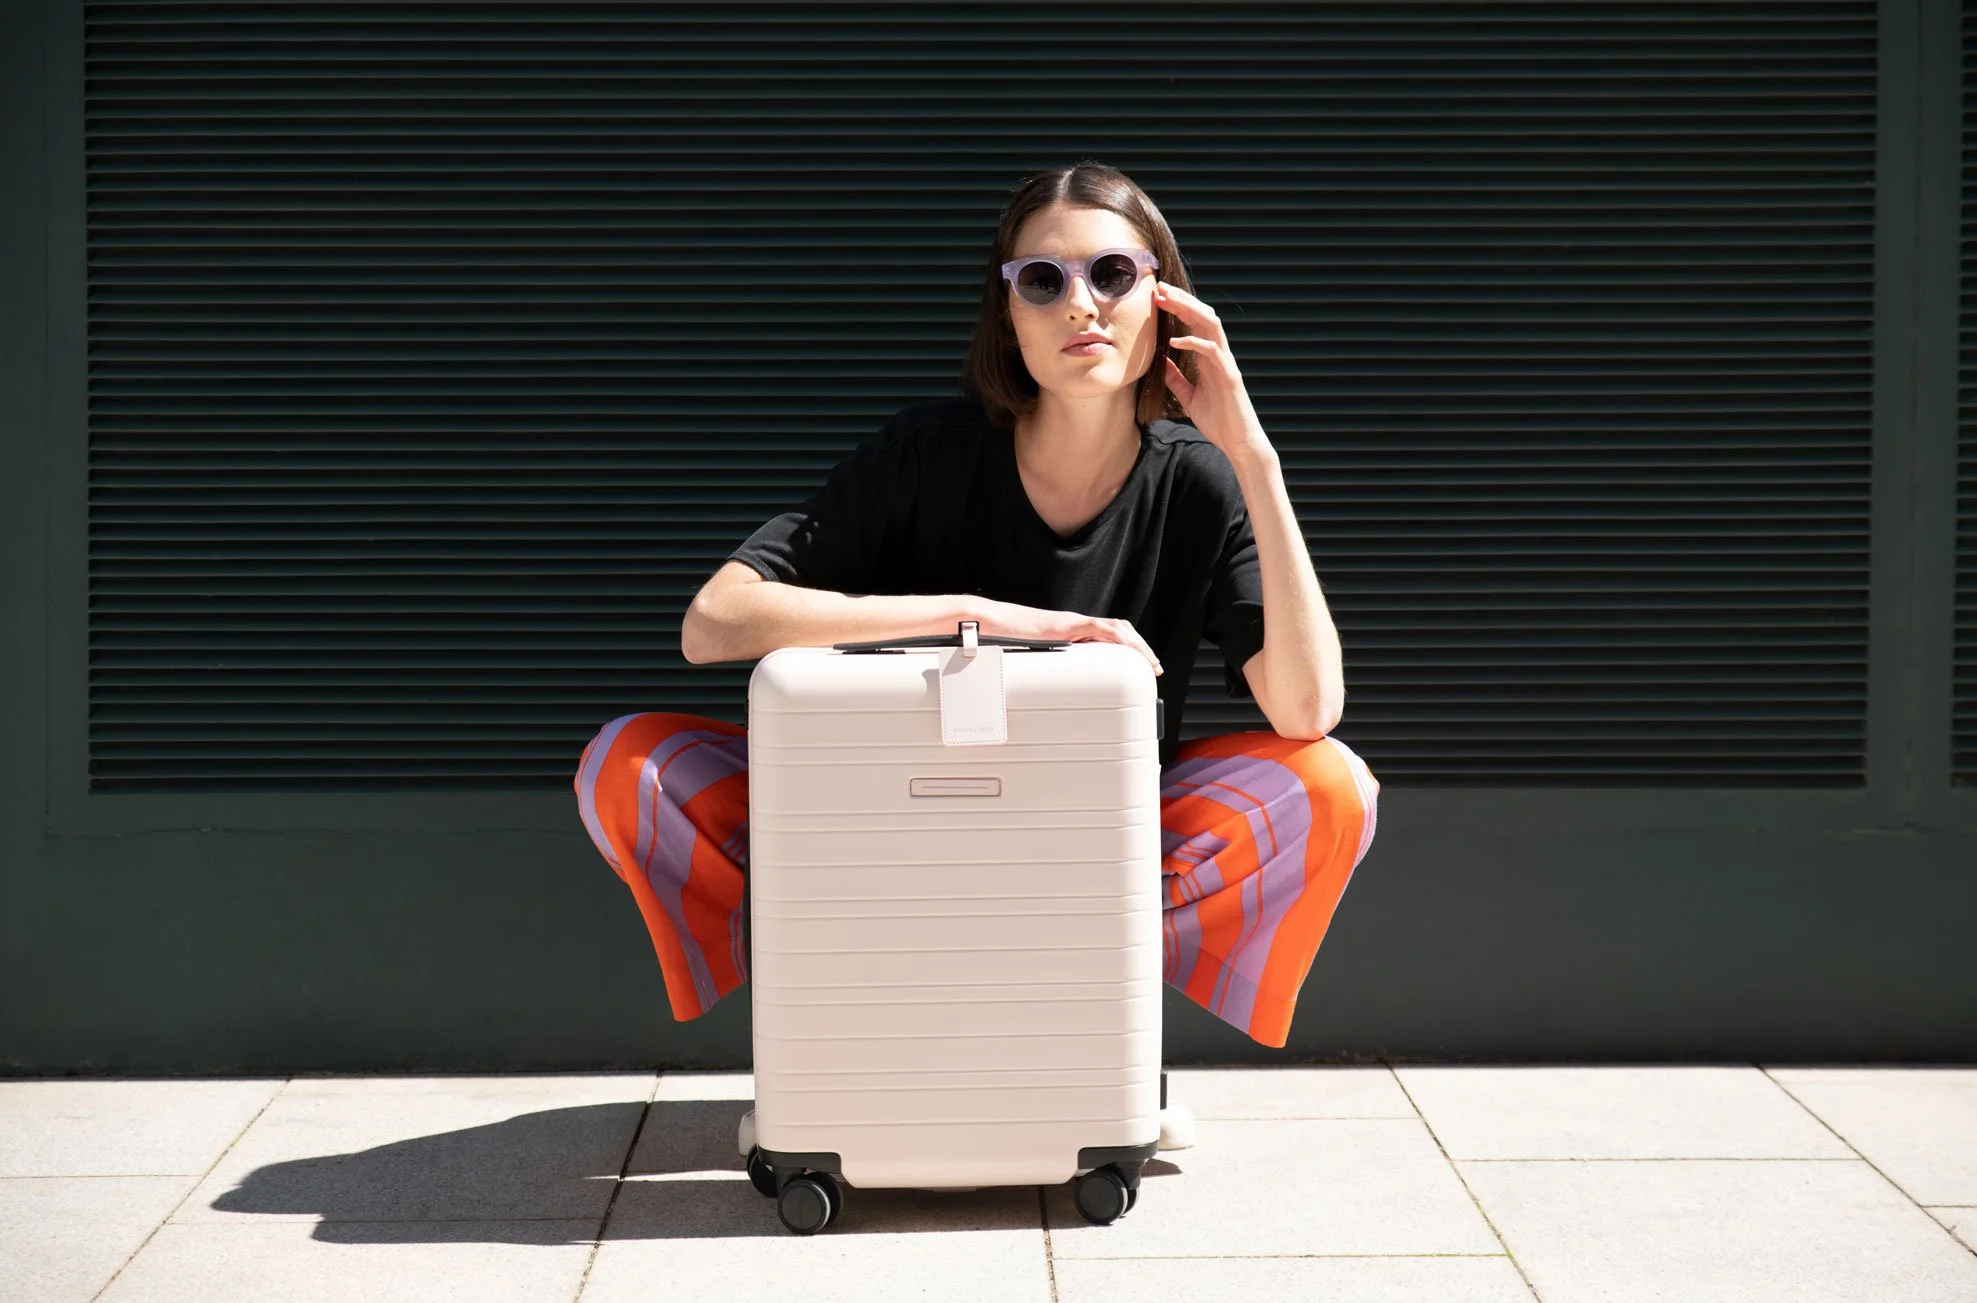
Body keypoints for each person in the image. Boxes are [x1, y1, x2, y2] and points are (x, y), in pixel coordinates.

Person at [574, 162, 1379, 1155]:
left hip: (1095, 850)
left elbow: (1307, 708)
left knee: (1328, 786)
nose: (1080, 304)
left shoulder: (1200, 482)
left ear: (1164, 298)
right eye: (1042, 279)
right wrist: (982, 616)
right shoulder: (929, 451)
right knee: (628, 765)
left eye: (1113, 273)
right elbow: (713, 620)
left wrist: (1255, 456)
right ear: (1009, 315)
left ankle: (1108, 1031)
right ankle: (820, 1019)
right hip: (874, 833)